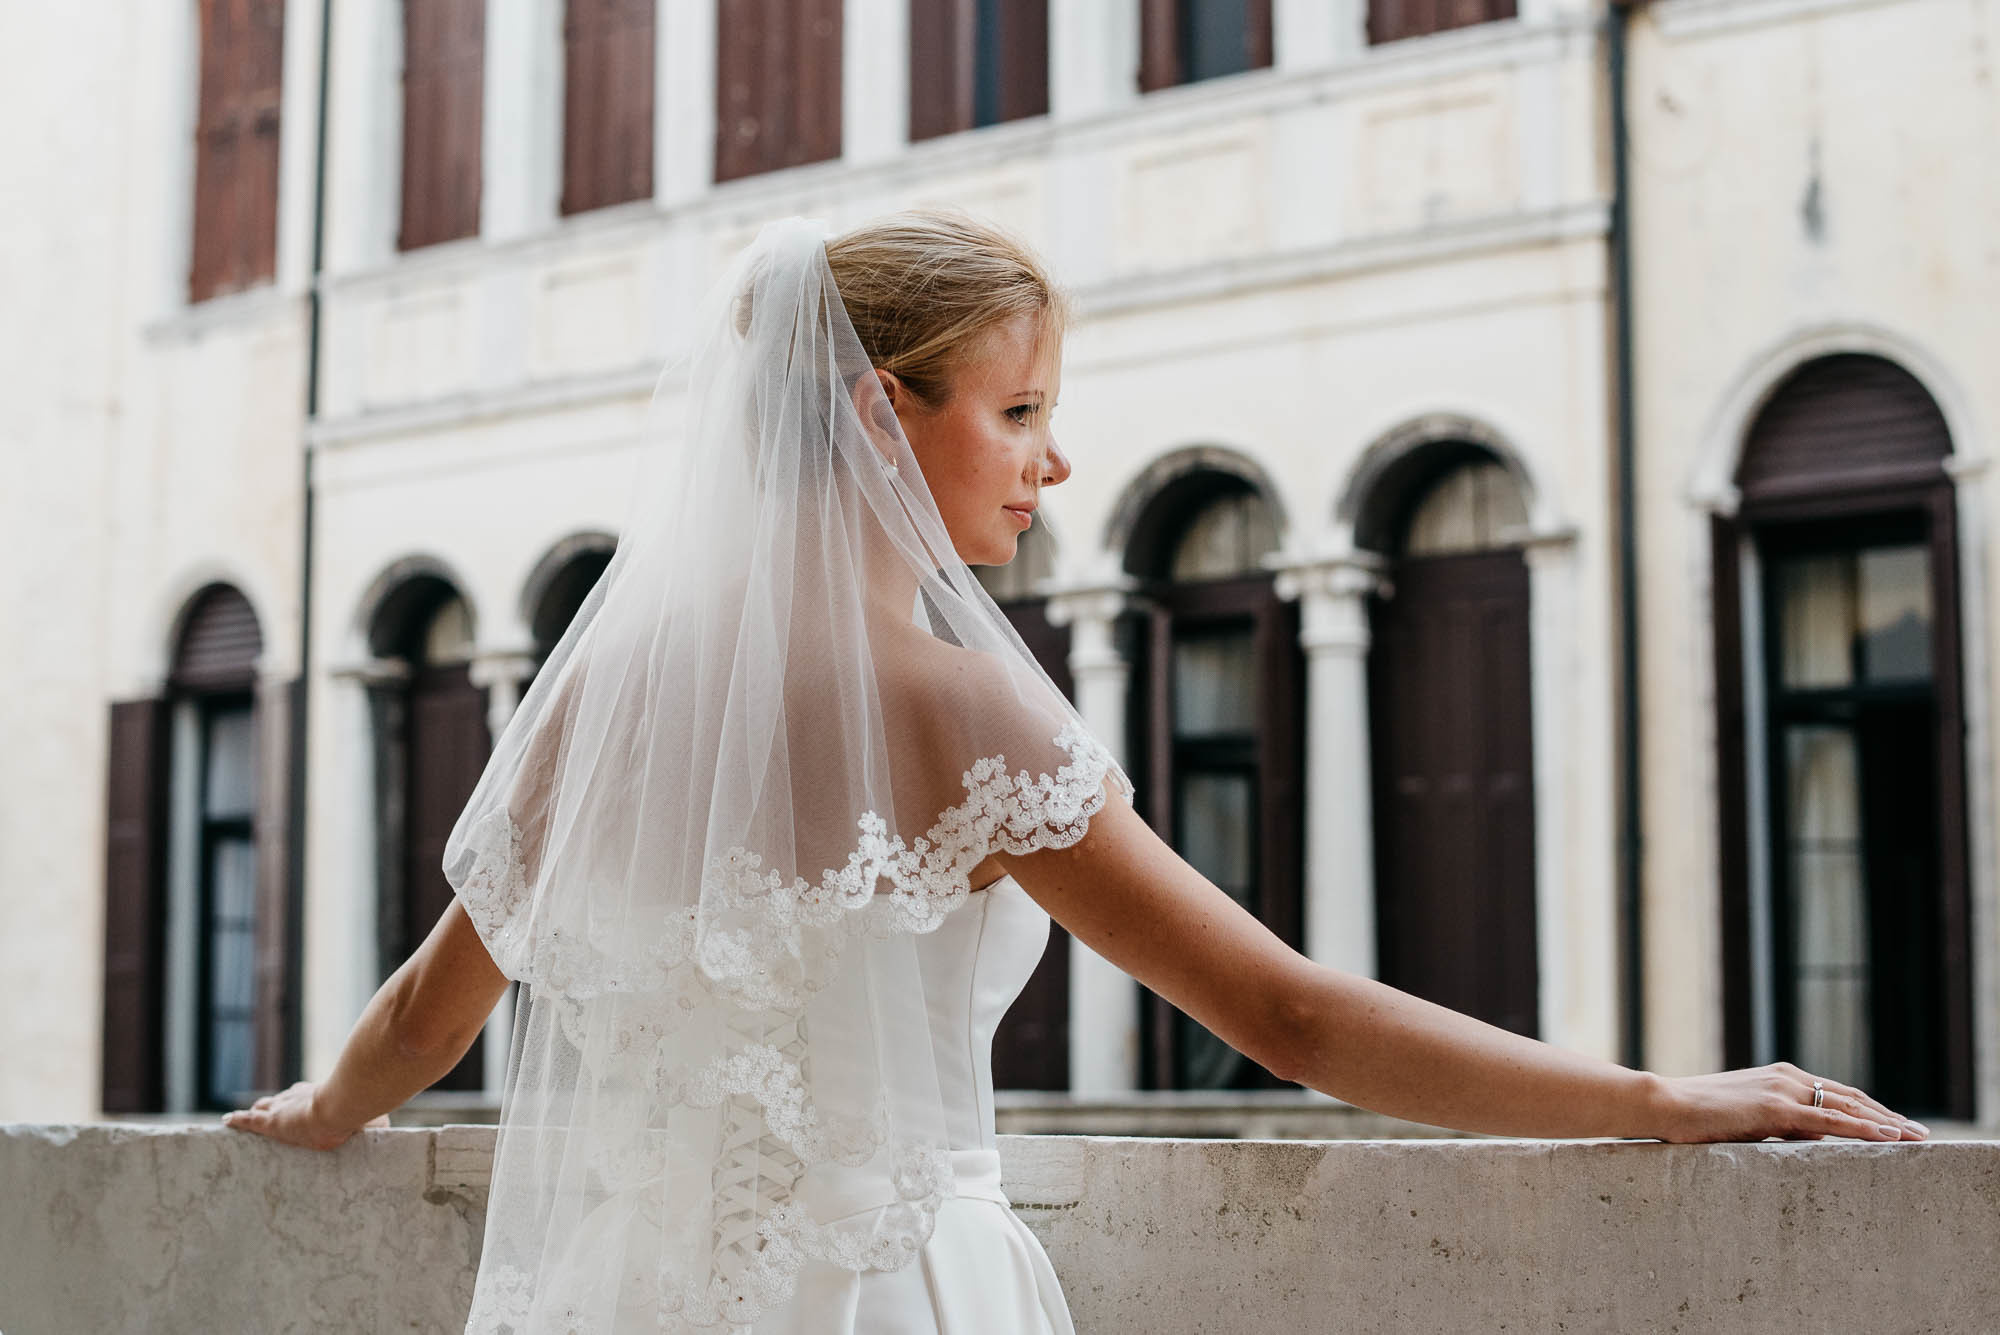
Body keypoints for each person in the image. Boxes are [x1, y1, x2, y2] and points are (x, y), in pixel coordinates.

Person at [225, 209, 1927, 1333]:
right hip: (880, 1301)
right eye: (1020, 409)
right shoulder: (971, 713)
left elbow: (436, 1014)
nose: (1056, 460)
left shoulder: (609, 694)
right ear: (887, 412)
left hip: (617, 1300)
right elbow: (1292, 1019)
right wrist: (1652, 1099)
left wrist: (317, 1112)